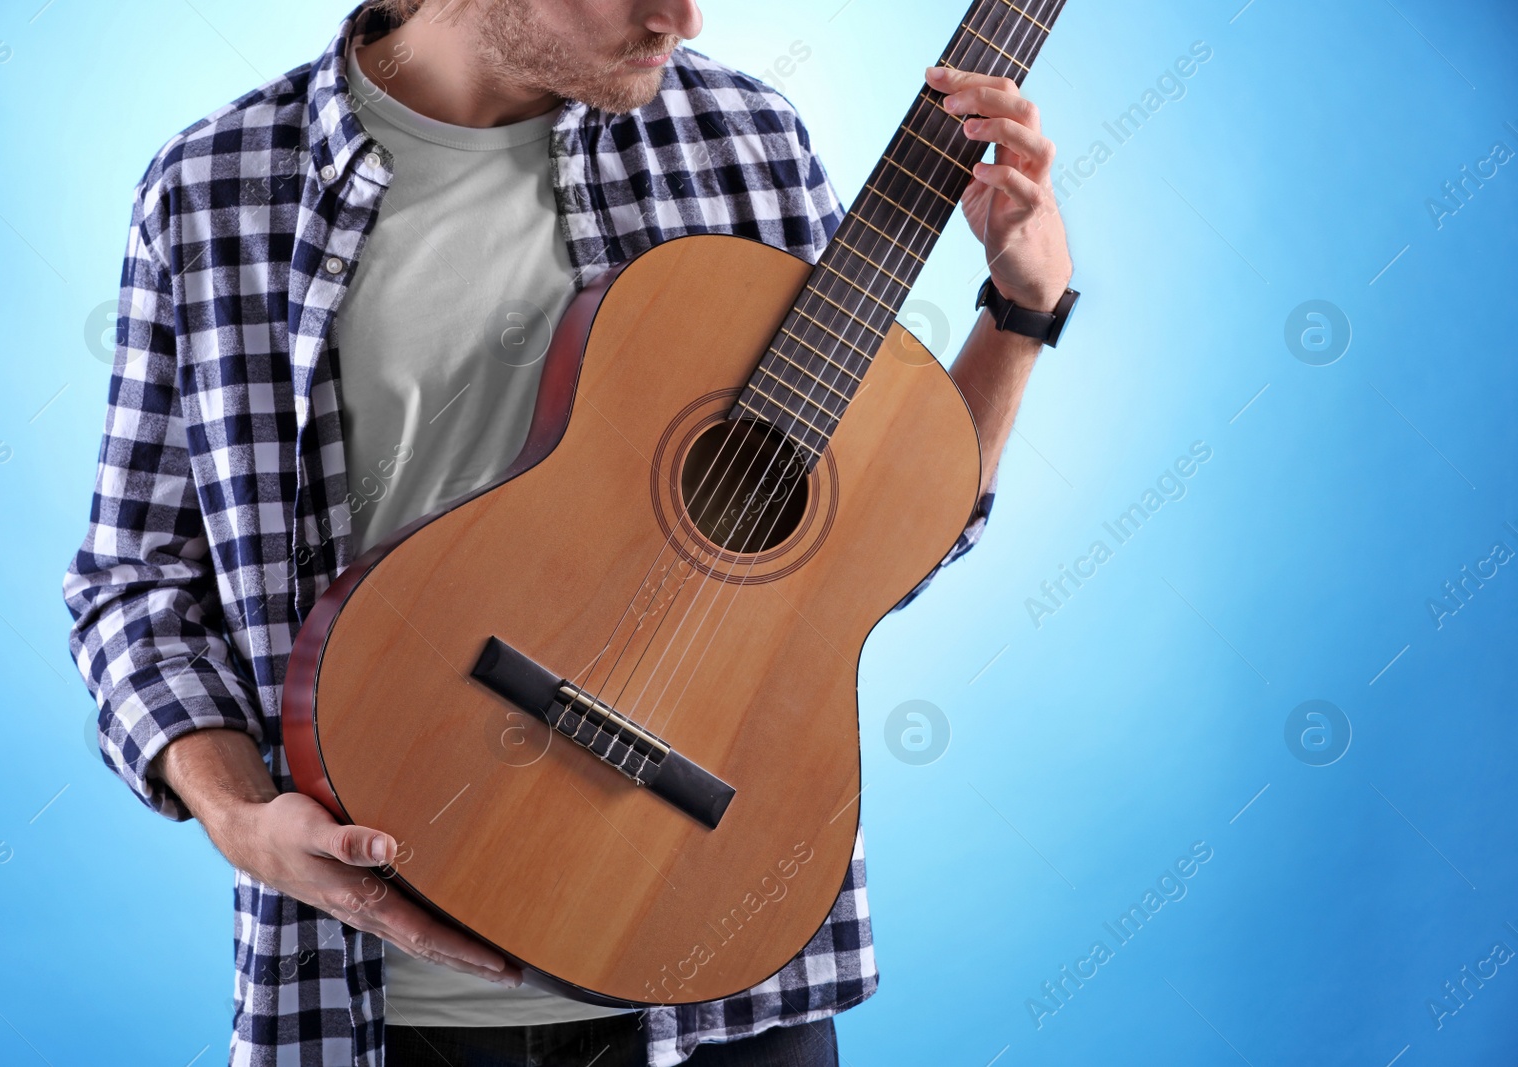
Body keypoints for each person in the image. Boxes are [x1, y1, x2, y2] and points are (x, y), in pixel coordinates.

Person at [62, 1, 1073, 1064]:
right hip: (374, 1000)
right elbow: (137, 580)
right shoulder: (219, 190)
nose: (680, 16)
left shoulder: (744, 140)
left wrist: (1018, 313)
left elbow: (849, 553)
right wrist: (238, 816)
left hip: (721, 966)